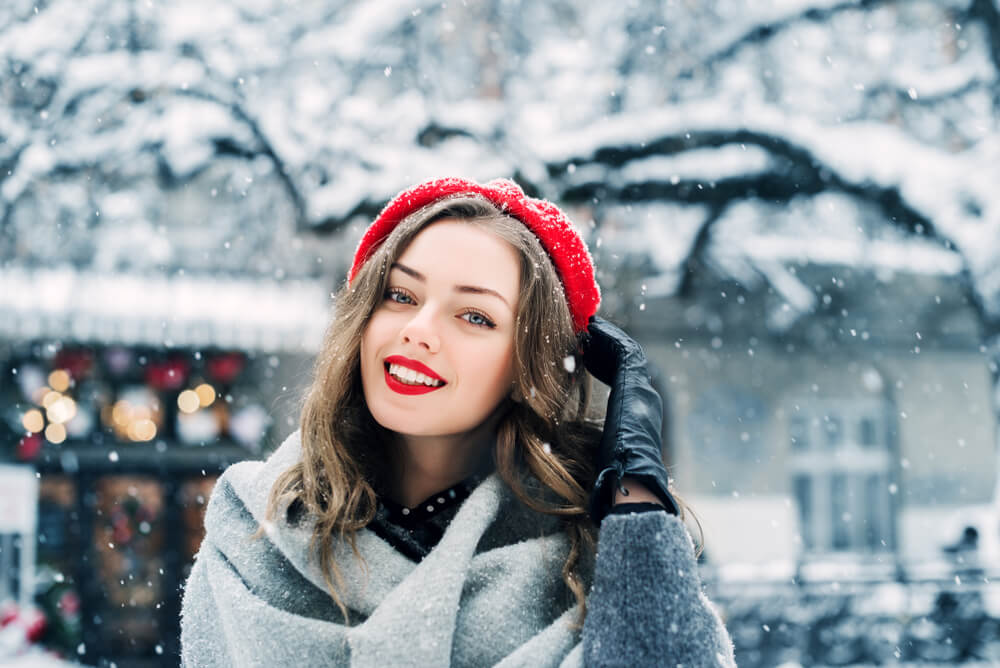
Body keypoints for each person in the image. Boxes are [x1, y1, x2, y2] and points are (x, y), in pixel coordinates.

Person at [180, 177, 736, 667]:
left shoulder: (593, 560)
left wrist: (634, 498)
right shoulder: (254, 533)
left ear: (527, 366)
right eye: (400, 294)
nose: (418, 329)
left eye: (475, 315)